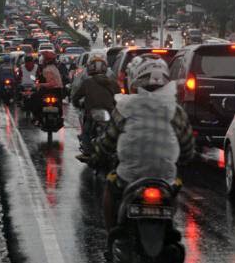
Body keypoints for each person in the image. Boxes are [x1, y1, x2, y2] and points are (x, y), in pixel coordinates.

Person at [91, 57, 194, 236]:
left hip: (129, 177)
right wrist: (184, 159)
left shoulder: (126, 106)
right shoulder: (175, 110)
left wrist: (97, 157)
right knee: (174, 191)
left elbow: (108, 141)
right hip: (165, 178)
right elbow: (187, 146)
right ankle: (169, 228)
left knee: (109, 188)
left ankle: (111, 236)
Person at [72, 56, 120, 160]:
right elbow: (119, 97)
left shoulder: (87, 82)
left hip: (92, 114)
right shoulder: (112, 82)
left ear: (90, 68)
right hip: (109, 114)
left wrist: (77, 104)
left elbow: (76, 97)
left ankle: (87, 152)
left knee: (86, 132)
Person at [32, 51, 63, 123]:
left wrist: (40, 85)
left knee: (34, 97)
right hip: (59, 90)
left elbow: (51, 84)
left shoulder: (47, 69)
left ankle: (36, 117)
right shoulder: (55, 68)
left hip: (50, 90)